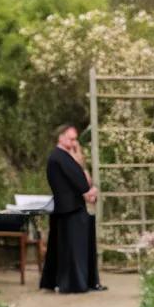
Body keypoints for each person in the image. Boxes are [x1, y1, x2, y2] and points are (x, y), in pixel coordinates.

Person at [39, 124, 105, 294]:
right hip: (69, 209)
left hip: (70, 208)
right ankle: (74, 283)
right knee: (74, 249)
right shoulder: (60, 157)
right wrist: (88, 191)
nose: (75, 143)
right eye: (71, 139)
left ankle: (79, 282)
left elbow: (82, 181)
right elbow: (82, 181)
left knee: (74, 248)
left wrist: (87, 189)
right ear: (61, 137)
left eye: (75, 139)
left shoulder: (63, 157)